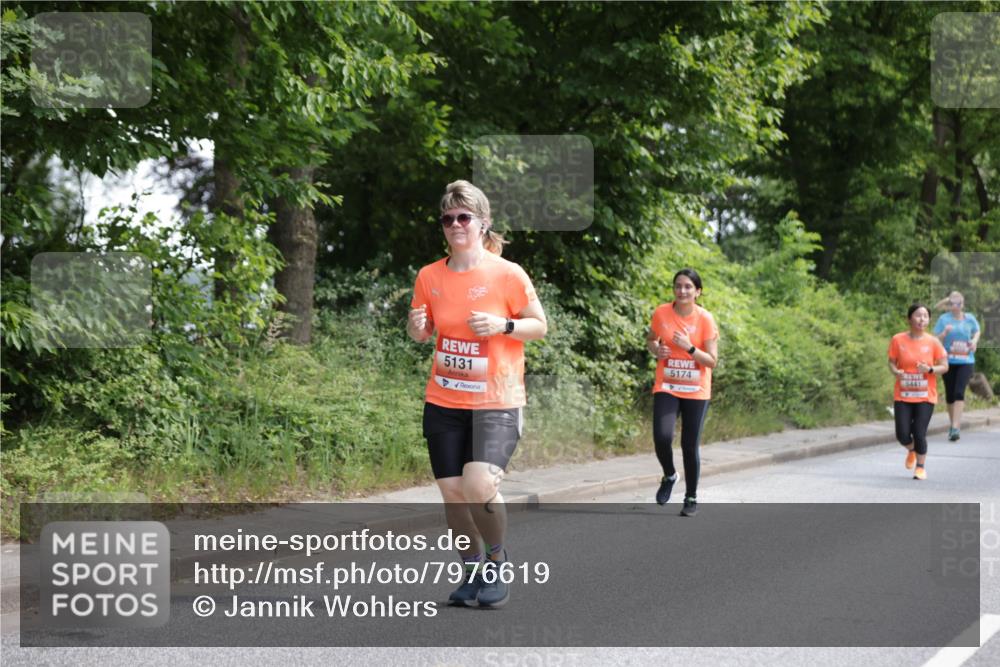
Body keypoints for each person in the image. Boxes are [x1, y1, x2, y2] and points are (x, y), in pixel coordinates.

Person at [407, 180, 547, 608]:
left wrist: (503, 325)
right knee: (452, 492)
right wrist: (416, 330)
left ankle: (497, 561)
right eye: (448, 219)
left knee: (478, 484)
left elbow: (539, 326)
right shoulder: (430, 276)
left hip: (498, 401)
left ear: (483, 223)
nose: (455, 225)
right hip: (445, 400)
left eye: (464, 217)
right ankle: (471, 570)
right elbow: (423, 330)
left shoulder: (507, 274)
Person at [646, 268, 719, 517]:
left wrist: (689, 348)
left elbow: (711, 361)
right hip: (667, 385)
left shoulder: (705, 319)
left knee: (689, 445)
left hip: (696, 391)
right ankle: (669, 475)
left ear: (698, 292)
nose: (682, 291)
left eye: (688, 287)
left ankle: (691, 497)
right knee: (662, 436)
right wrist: (657, 351)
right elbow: (651, 340)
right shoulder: (661, 313)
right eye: (678, 286)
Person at [888, 303, 948, 480]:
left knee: (919, 432)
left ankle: (920, 467)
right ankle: (912, 450)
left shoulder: (933, 342)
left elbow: (945, 366)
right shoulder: (898, 339)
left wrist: (929, 369)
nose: (922, 319)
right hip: (903, 394)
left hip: (925, 395)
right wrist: (895, 371)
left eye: (925, 316)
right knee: (902, 434)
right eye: (918, 315)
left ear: (928, 320)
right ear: (909, 318)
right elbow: (891, 361)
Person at [933, 291, 981, 441]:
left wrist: (974, 341)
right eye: (953, 303)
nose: (956, 306)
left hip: (966, 361)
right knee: (950, 395)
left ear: (963, 304)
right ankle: (952, 424)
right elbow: (935, 339)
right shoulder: (944, 319)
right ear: (950, 304)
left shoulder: (969, 318)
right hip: (947, 361)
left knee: (959, 392)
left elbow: (977, 331)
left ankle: (955, 427)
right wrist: (944, 334)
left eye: (959, 303)